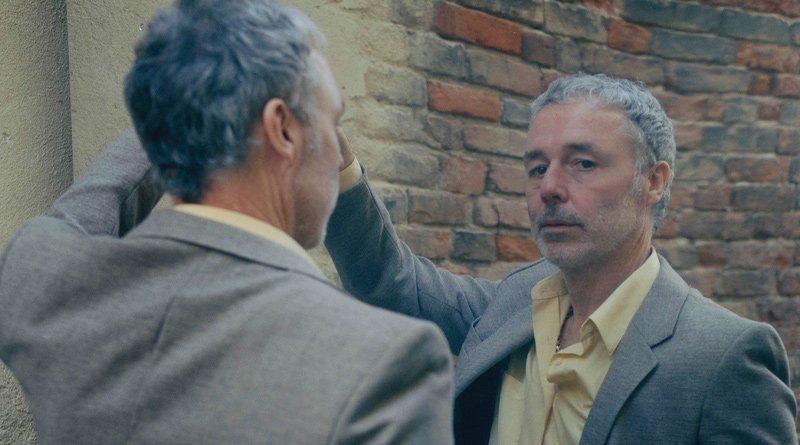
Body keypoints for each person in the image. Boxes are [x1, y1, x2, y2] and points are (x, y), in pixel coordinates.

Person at [0, 1, 454, 443]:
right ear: (282, 129)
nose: (339, 154)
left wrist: (180, 115)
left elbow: (70, 221)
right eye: (333, 123)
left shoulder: (42, 279)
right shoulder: (384, 363)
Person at [325, 73, 798, 444]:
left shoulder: (724, 357)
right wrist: (338, 169)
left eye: (583, 163)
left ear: (653, 181)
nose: (549, 187)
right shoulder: (513, 305)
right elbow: (390, 280)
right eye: (537, 168)